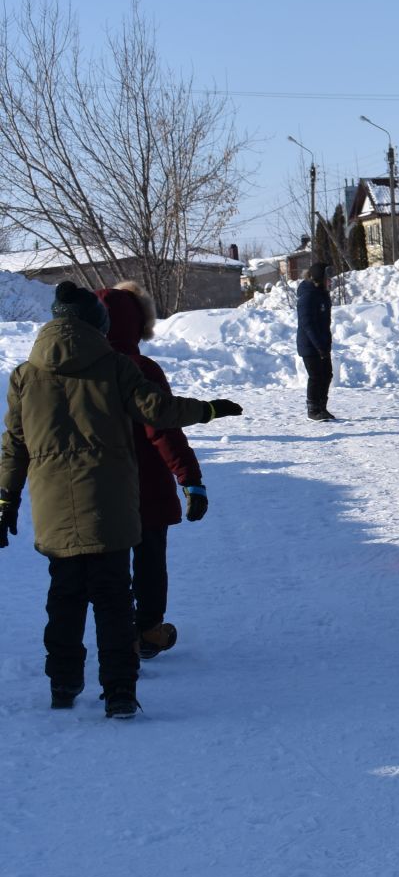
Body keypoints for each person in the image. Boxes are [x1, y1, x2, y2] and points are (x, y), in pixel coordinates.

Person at [0, 281, 242, 717]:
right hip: (110, 506)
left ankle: (63, 684)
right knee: (114, 601)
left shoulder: (24, 376)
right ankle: (119, 694)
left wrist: (5, 501)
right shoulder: (115, 366)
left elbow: (14, 447)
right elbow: (160, 413)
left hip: (53, 510)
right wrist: (207, 409)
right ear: (97, 324)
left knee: (64, 597)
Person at [95, 284, 209, 660]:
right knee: (149, 560)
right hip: (146, 487)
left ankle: (114, 631)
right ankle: (147, 629)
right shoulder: (141, 368)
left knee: (108, 565)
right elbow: (163, 429)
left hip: (97, 487)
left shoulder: (81, 370)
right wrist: (190, 479)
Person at [297, 260, 336, 420]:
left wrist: (326, 344)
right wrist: (319, 346)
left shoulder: (322, 295)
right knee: (316, 376)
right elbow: (308, 324)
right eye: (328, 278)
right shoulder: (308, 296)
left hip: (322, 344)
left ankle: (322, 407)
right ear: (319, 279)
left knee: (327, 374)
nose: (331, 281)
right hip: (310, 346)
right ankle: (313, 409)